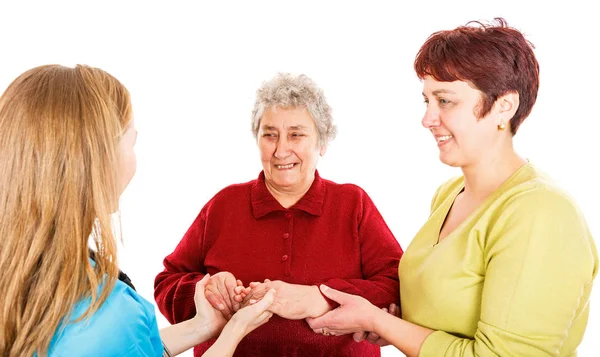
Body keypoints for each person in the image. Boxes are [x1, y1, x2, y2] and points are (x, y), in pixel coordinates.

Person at [306, 18, 598, 357]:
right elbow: (446, 316)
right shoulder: (449, 194)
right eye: (426, 100)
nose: (427, 118)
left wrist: (382, 322)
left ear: (504, 106)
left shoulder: (541, 213)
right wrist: (394, 326)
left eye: (445, 101)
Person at [0, 64, 276, 357]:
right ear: (100, 161)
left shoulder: (26, 272)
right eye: (132, 140)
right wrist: (235, 331)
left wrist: (202, 326)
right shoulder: (108, 314)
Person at [154, 73, 403, 357]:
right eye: (270, 134)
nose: (281, 149)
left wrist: (320, 297)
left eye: (296, 134)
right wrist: (207, 291)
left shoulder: (353, 204)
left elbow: (395, 284)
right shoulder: (224, 204)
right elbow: (167, 282)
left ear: (322, 143)